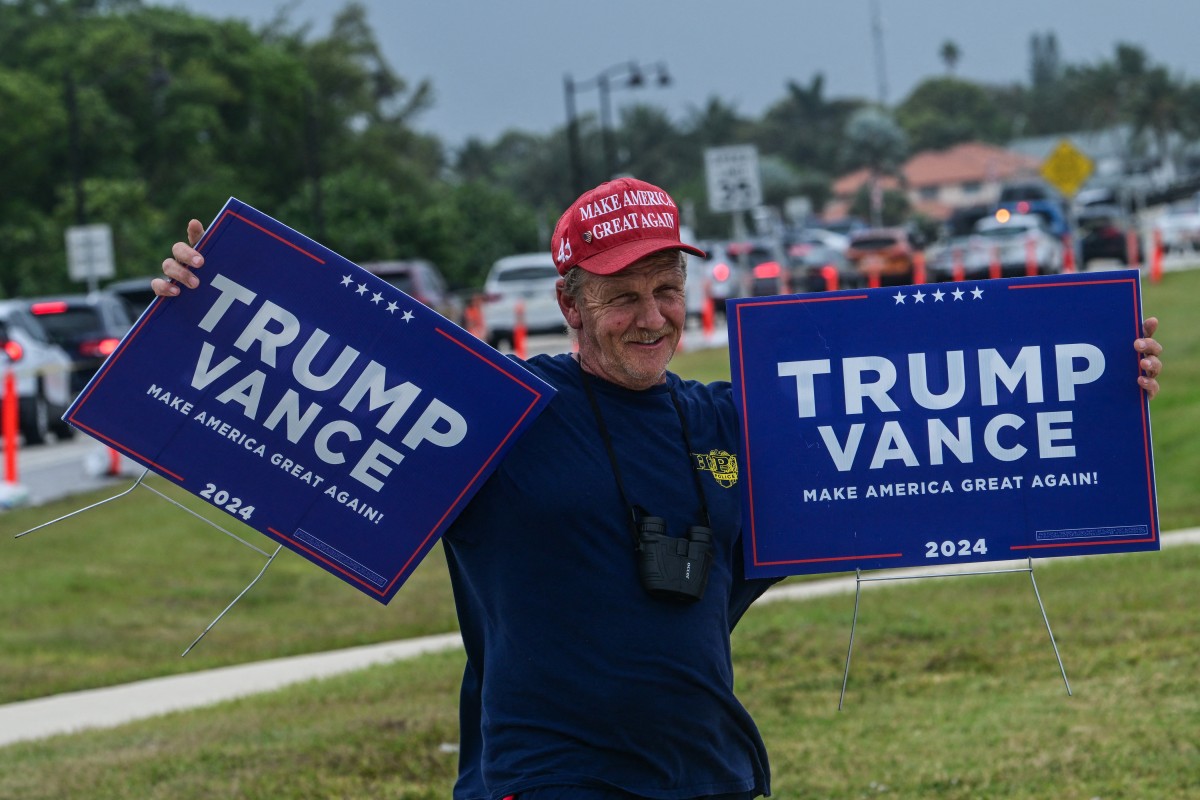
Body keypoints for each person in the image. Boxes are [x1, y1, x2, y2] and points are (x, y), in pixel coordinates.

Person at [155, 177, 1164, 800]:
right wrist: (193, 306)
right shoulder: (490, 408)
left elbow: (936, 440)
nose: (651, 315)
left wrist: (1102, 379)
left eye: (667, 290)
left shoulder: (727, 421)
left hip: (710, 771)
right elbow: (283, 396)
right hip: (546, 779)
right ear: (571, 303)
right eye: (622, 295)